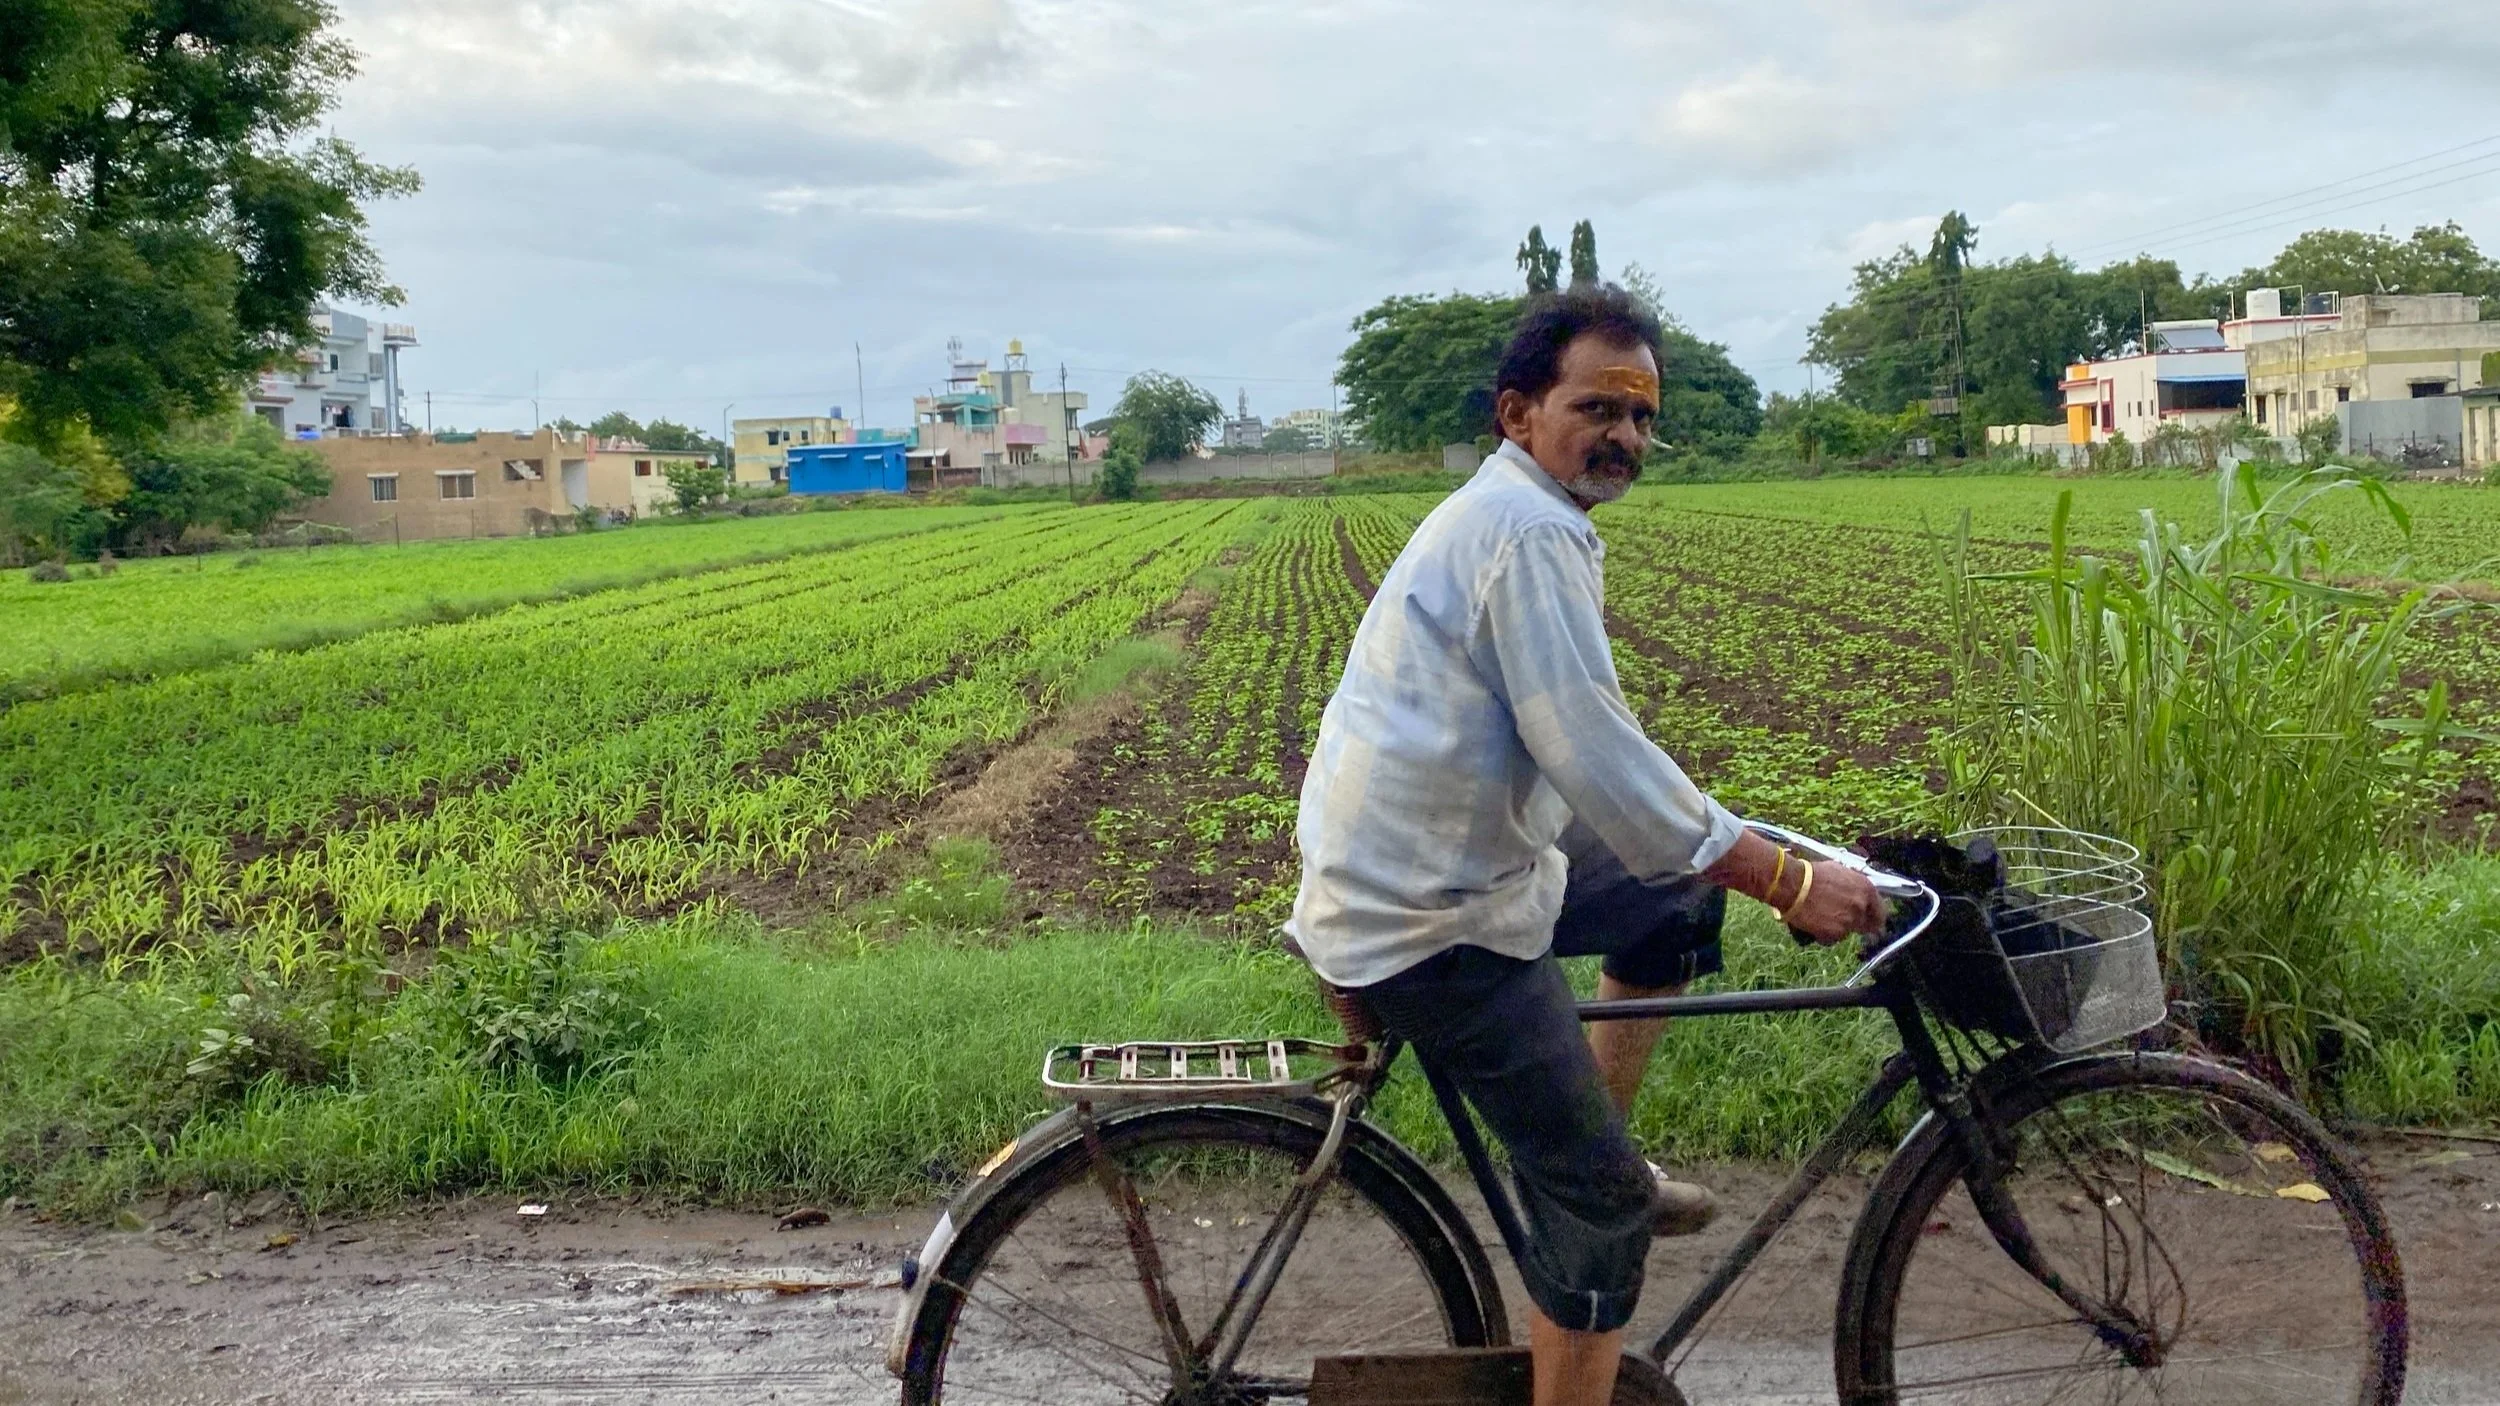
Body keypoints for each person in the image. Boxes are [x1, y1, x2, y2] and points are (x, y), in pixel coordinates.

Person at [1286, 284, 1886, 1406]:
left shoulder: (1509, 510)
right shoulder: (1529, 531)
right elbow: (1597, 758)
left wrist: (1726, 855)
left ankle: (1593, 1148)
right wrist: (1788, 876)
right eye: (1596, 408)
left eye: (1642, 416)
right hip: (1431, 913)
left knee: (1671, 901)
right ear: (1519, 414)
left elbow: (1611, 782)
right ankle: (1595, 1191)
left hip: (1435, 864)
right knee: (1599, 1203)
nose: (1624, 436)